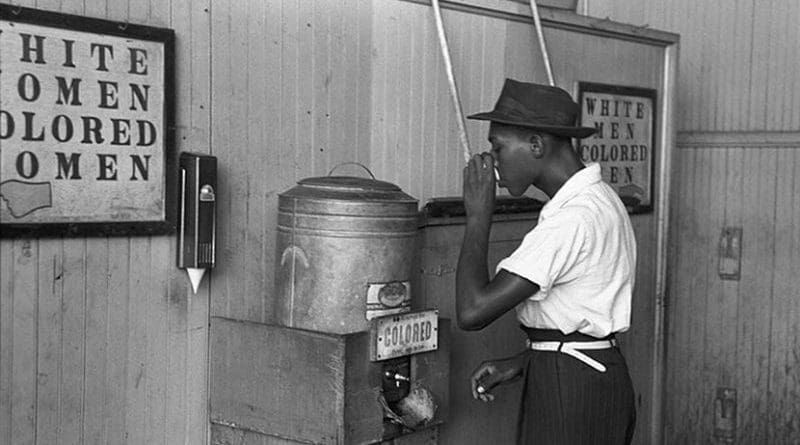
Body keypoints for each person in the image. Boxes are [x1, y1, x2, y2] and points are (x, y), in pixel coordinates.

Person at [455, 78, 637, 444]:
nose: (493, 163)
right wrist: (522, 364)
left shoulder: (574, 218)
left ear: (536, 144)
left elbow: (472, 311)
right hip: (589, 374)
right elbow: (582, 321)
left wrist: (478, 217)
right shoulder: (598, 200)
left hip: (571, 389)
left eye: (499, 147)